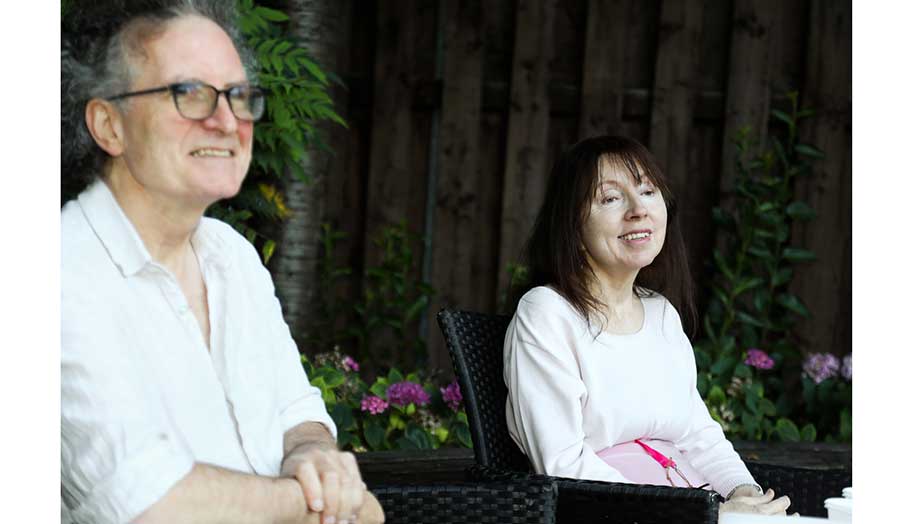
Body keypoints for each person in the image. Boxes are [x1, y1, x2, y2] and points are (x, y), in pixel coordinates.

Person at [60, 2, 383, 523]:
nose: (227, 121)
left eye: (238, 96)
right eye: (189, 93)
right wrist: (323, 502)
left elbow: (297, 414)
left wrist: (312, 455)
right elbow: (152, 505)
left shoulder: (232, 255)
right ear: (109, 125)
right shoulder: (60, 272)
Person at [503, 136, 792, 518]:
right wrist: (699, 515)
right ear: (571, 223)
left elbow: (699, 436)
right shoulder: (547, 313)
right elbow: (563, 465)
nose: (638, 210)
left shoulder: (661, 314)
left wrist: (746, 497)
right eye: (611, 198)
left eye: (647, 191)